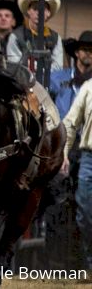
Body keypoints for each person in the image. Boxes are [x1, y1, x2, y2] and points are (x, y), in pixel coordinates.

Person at [61, 76, 92, 272]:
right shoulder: (89, 88)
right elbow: (71, 123)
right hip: (89, 156)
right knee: (86, 212)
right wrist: (64, 153)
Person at [7, 0, 64, 72]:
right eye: (35, 8)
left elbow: (58, 67)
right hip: (23, 83)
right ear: (28, 11)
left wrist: (36, 68)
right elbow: (14, 65)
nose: (39, 12)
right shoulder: (15, 36)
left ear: (48, 13)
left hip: (47, 83)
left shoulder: (55, 38)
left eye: (43, 9)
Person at [50, 31, 92, 119]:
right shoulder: (58, 77)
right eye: (84, 49)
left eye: (91, 50)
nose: (88, 53)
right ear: (77, 53)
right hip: (62, 130)